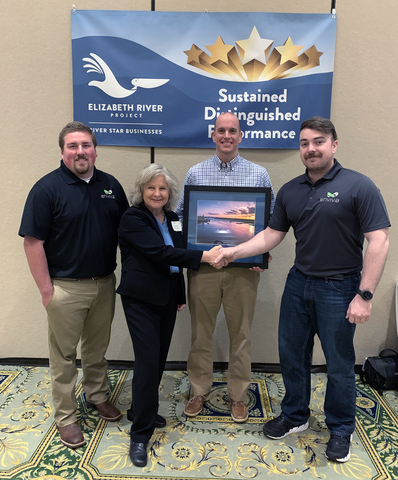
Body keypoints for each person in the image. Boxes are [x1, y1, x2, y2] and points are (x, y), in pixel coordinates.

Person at [214, 116, 390, 462]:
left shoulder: (359, 186)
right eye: (305, 143)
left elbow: (379, 241)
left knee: (339, 364)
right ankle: (295, 416)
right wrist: (233, 251)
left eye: (319, 141)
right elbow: (272, 236)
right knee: (292, 356)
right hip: (299, 284)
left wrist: (364, 295)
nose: (311, 148)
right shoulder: (291, 190)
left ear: (333, 145)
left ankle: (341, 428)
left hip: (340, 288)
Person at [18, 121, 129, 449]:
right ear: (63, 151)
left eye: (86, 145)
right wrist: (46, 291)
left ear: (95, 149)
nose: (80, 152)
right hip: (65, 288)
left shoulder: (110, 185)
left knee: (96, 350)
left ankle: (97, 396)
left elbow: (129, 231)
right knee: (64, 356)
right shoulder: (46, 189)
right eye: (73, 146)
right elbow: (32, 242)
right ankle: (66, 417)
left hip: (104, 283)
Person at [117, 164, 225, 467]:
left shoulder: (174, 218)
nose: (157, 193)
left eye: (162, 188)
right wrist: (206, 256)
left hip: (166, 298)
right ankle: (140, 434)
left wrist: (179, 295)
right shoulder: (132, 218)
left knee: (158, 359)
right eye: (151, 187)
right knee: (148, 361)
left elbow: (176, 261)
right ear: (141, 190)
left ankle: (141, 411)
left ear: (169, 192)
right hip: (140, 299)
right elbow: (160, 254)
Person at [175, 112, 275, 423]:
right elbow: (179, 218)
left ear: (240, 135)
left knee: (241, 335)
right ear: (213, 135)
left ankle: (238, 396)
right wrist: (186, 255)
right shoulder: (195, 173)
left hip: (242, 270)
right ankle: (199, 389)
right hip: (204, 269)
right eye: (221, 130)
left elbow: (272, 223)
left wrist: (262, 254)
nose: (227, 136)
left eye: (233, 130)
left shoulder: (259, 175)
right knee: (200, 334)